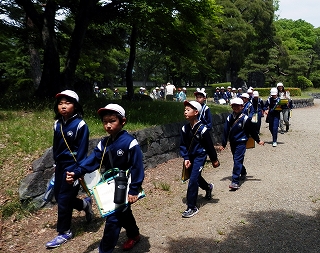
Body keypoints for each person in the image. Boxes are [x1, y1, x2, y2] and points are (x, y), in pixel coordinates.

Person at [66, 104, 144, 253]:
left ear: (123, 121)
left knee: (113, 219)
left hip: (124, 186)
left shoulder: (130, 142)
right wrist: (77, 172)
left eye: (112, 121)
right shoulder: (104, 143)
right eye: (104, 121)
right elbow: (93, 160)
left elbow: (137, 167)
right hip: (109, 187)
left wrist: (134, 189)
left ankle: (105, 250)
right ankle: (134, 235)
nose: (108, 125)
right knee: (123, 212)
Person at [45, 90, 92, 249]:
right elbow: (56, 146)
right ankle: (85, 205)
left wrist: (79, 171)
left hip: (73, 166)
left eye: (68, 103)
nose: (63, 106)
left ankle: (64, 231)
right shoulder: (57, 124)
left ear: (76, 106)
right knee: (59, 196)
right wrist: (55, 165)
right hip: (60, 166)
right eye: (60, 103)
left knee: (64, 198)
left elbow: (82, 150)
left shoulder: (80, 125)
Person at [180, 100, 220, 218]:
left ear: (196, 112)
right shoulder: (184, 129)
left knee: (193, 180)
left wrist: (214, 159)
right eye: (185, 110)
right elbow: (182, 145)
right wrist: (186, 158)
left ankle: (191, 207)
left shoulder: (203, 129)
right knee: (195, 176)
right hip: (190, 157)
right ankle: (208, 187)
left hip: (200, 156)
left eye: (188, 110)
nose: (185, 112)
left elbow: (209, 145)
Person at [219, 98, 264, 190]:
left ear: (242, 107)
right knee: (236, 160)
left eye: (237, 106)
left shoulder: (245, 119)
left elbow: (252, 130)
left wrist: (258, 140)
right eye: (233, 106)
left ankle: (235, 181)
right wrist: (223, 144)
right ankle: (243, 172)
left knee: (237, 160)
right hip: (233, 142)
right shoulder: (229, 118)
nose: (235, 107)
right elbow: (225, 131)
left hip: (241, 142)